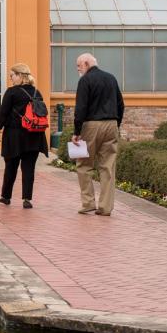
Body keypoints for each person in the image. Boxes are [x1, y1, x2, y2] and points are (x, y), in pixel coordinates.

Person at [72, 52, 125, 216]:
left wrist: (77, 132)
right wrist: (116, 124)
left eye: (79, 66)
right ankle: (105, 207)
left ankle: (88, 203)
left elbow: (80, 108)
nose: (78, 69)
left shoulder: (85, 80)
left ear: (87, 64)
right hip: (111, 124)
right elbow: (121, 104)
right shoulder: (111, 78)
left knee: (84, 165)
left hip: (91, 125)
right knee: (108, 167)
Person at [0, 63, 49, 209]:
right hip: (34, 136)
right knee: (29, 167)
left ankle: (6, 196)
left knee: (11, 166)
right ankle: (27, 199)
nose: (11, 79)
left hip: (14, 136)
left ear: (19, 75)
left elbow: (3, 112)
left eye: (12, 75)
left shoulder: (12, 92)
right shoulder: (37, 92)